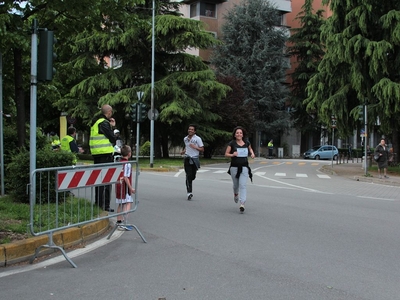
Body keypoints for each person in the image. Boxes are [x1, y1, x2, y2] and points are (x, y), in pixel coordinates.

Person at [89, 104, 117, 212]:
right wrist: (113, 127)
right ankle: (105, 205)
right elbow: (112, 138)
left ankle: (98, 203)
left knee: (98, 180)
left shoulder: (96, 122)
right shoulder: (104, 123)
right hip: (105, 155)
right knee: (106, 181)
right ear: (109, 112)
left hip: (97, 154)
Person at [225, 126, 255, 213]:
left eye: (240, 133)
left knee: (243, 185)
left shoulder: (246, 142)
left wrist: (252, 154)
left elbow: (250, 149)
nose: (239, 134)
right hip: (234, 167)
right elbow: (226, 154)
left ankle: (242, 203)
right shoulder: (232, 143)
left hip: (244, 167)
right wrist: (232, 154)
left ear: (243, 134)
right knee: (236, 185)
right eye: (237, 133)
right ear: (234, 135)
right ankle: (235, 194)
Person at [180, 124, 204, 200]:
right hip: (187, 158)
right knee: (188, 175)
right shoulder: (185, 139)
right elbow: (187, 147)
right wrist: (183, 151)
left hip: (195, 159)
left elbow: (202, 149)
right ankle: (189, 192)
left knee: (192, 176)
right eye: (189, 129)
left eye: (192, 129)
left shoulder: (198, 139)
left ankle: (191, 179)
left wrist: (195, 147)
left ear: (195, 131)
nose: (190, 130)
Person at [115, 145, 136, 231]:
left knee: (121, 204)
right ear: (129, 153)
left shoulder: (119, 162)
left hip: (119, 186)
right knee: (128, 203)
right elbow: (126, 177)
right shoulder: (127, 164)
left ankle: (119, 222)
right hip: (125, 188)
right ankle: (125, 222)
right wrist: (131, 188)